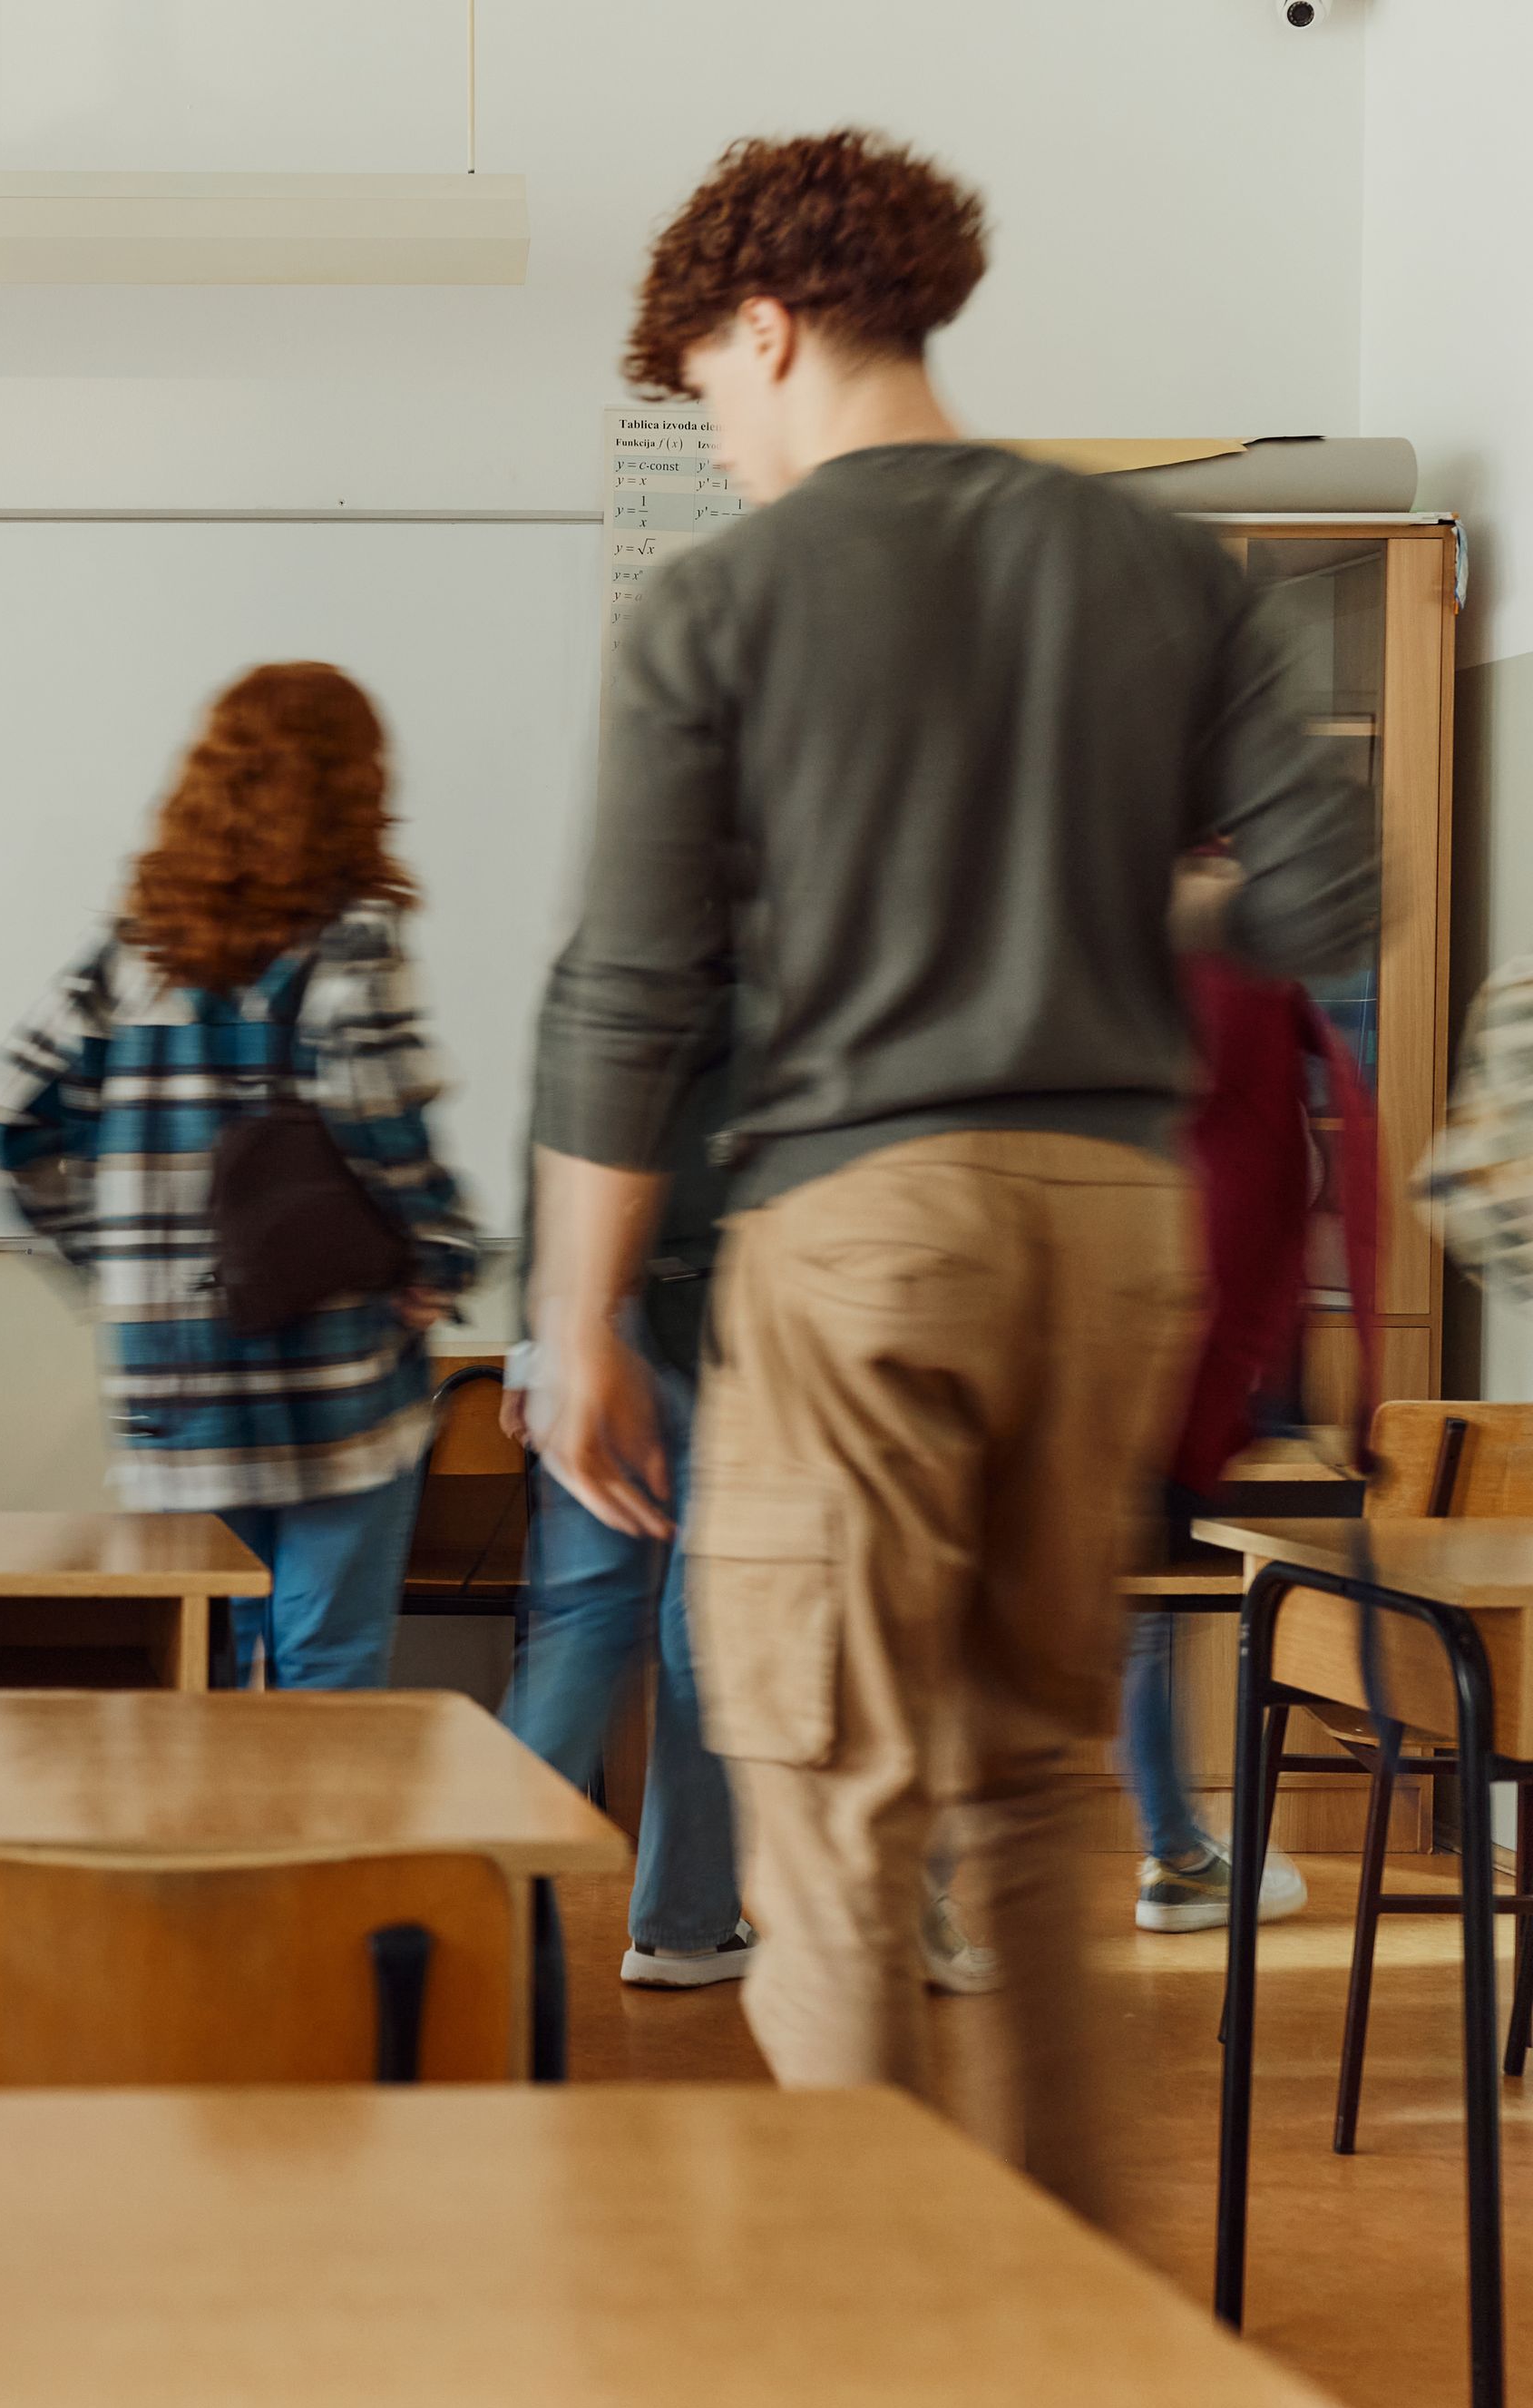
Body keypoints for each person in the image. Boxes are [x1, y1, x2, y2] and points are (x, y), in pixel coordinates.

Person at [528, 130, 1373, 2222]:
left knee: (827, 1802)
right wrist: (1105, 912)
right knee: (1036, 1785)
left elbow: (628, 988)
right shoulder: (1162, 567)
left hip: (858, 1235)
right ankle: (1083, 2331)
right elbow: (1332, 889)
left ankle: (875, 2332)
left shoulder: (716, 605)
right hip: (1110, 1229)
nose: (718, 444)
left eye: (710, 395)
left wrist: (571, 1326)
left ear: (764, 324)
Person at [0, 663, 476, 1689]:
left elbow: (7, 1115)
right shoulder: (351, 942)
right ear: (356, 789)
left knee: (192, 1677)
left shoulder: (131, 954)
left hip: (170, 1381)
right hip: (329, 1373)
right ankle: (306, 1857)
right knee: (327, 1671)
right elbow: (382, 1119)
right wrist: (444, 1254)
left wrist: (111, 1267)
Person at [500, 1008, 747, 1982]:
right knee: (703, 1626)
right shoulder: (791, 928)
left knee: (583, 1616)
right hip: (730, 1322)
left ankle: (478, 1886)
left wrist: (540, 1338)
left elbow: (556, 1137)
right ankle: (685, 1924)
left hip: (594, 1313)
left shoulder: (608, 973)